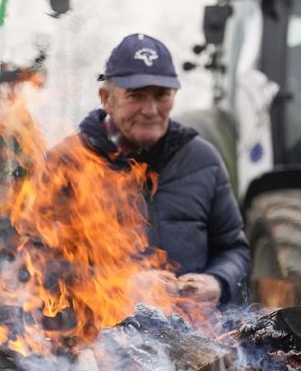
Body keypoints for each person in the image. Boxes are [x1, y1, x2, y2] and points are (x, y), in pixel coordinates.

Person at [77, 33, 249, 306]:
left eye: (161, 95)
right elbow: (37, 264)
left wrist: (219, 281)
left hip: (194, 341)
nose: (151, 109)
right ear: (106, 98)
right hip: (97, 340)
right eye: (136, 96)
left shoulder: (204, 160)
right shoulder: (69, 164)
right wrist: (121, 285)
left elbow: (232, 248)